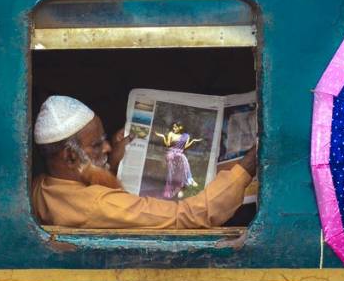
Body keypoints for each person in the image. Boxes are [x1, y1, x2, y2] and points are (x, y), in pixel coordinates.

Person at [31, 96, 256, 229]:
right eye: (97, 145)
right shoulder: (100, 205)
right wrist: (245, 168)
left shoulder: (41, 187)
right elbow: (188, 216)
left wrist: (114, 164)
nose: (108, 147)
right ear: (70, 157)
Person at [155, 121, 201, 198]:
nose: (174, 128)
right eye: (173, 127)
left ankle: (188, 180)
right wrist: (163, 137)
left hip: (179, 154)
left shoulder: (186, 136)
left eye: (176, 127)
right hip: (171, 153)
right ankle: (169, 191)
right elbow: (168, 145)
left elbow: (185, 147)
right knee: (171, 172)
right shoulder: (171, 134)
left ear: (181, 127)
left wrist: (192, 141)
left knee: (183, 161)